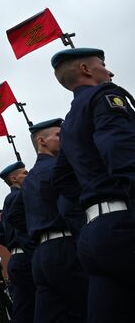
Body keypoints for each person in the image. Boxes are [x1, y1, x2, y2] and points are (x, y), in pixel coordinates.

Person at [51, 48, 135, 322]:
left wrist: (94, 202)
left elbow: (61, 179)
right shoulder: (106, 96)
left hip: (93, 235)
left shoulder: (71, 118)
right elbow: (120, 149)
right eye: (103, 65)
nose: (110, 72)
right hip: (125, 226)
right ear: (87, 70)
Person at [11, 119, 87, 323]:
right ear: (42, 141)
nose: (63, 139)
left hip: (41, 256)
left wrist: (35, 233)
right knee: (82, 310)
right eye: (59, 136)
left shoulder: (31, 177)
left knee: (49, 315)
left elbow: (14, 216)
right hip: (66, 248)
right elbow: (72, 207)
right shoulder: (59, 169)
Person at [0, 161, 35, 323]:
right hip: (27, 258)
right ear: (14, 178)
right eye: (24, 173)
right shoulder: (19, 197)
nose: (28, 175)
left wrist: (14, 245)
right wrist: (26, 243)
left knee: (23, 308)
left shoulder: (9, 199)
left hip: (16, 260)